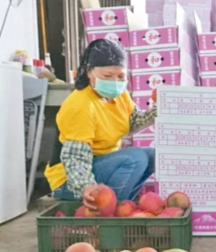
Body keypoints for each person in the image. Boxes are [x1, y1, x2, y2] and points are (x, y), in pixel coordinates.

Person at [45, 39, 156, 208]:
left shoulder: (119, 95)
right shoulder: (80, 105)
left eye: (121, 76)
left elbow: (132, 121)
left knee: (153, 155)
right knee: (135, 158)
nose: (115, 82)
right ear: (90, 72)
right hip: (71, 179)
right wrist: (86, 186)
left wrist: (162, 109)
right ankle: (108, 212)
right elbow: (76, 158)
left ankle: (123, 206)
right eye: (107, 76)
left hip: (101, 165)